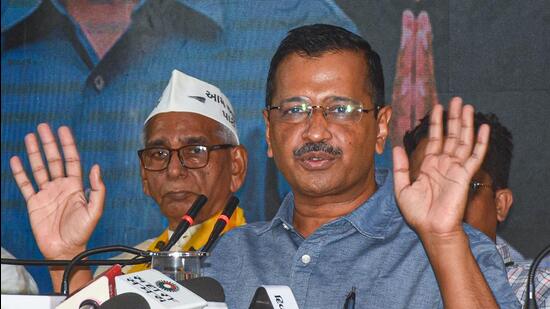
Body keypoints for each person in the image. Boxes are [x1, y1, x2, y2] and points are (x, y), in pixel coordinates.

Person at [203, 24, 518, 308]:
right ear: (270, 131)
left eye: (340, 109)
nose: (315, 131)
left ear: (381, 128)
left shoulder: (453, 250)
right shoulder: (230, 256)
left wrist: (444, 241)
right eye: (294, 109)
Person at [9, 70, 248, 292]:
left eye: (195, 151)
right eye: (158, 154)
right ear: (144, 176)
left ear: (236, 166)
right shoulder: (121, 269)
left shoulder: (263, 258)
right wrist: (67, 254)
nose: (174, 170)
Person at [404, 110, 550, 307]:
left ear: (500, 204)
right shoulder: (385, 275)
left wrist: (448, 240)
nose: (444, 200)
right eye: (424, 187)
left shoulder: (537, 287)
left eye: (462, 185)